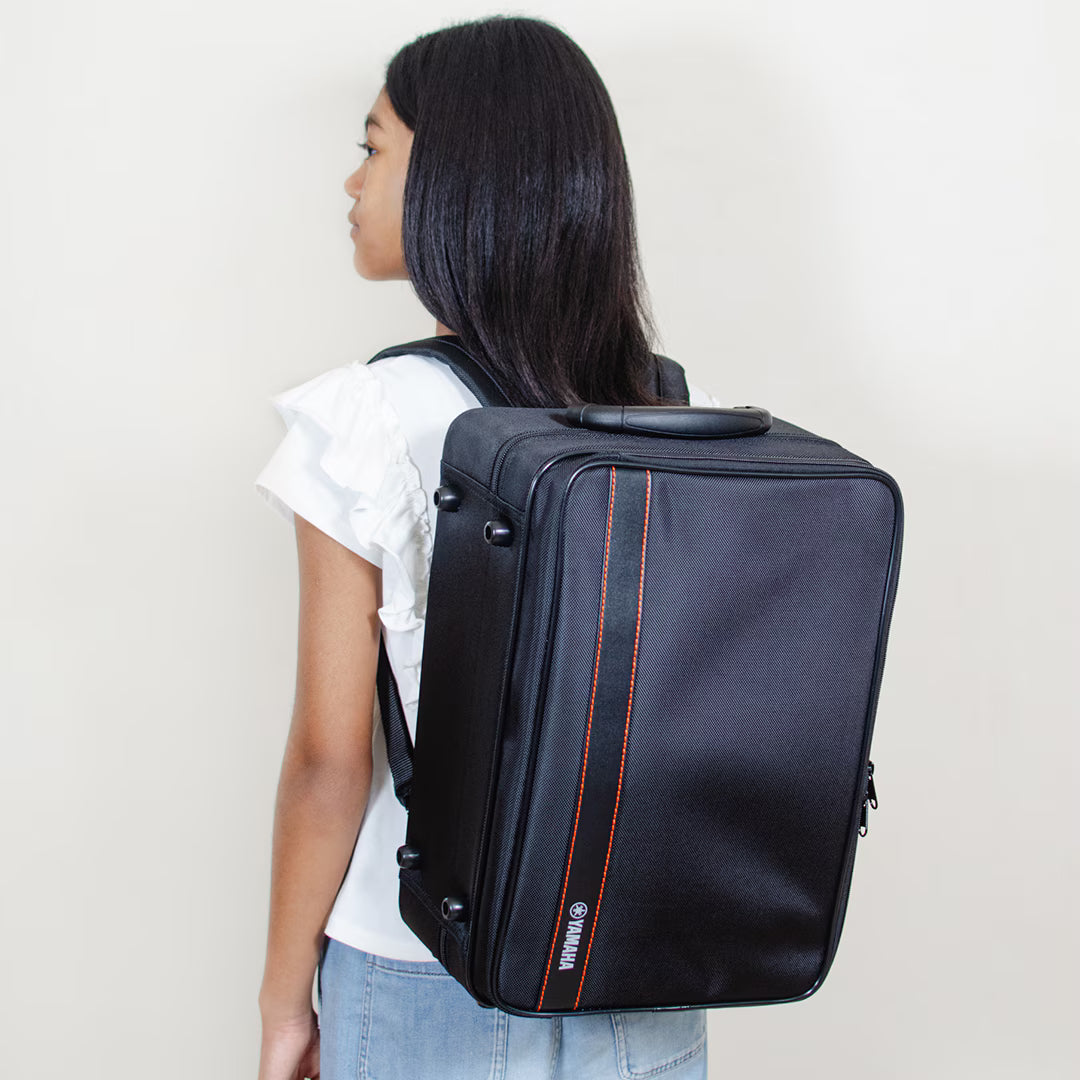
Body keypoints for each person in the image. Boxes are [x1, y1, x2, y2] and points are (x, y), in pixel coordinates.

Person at [253, 15, 719, 1080]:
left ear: (455, 178)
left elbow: (330, 762)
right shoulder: (664, 412)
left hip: (422, 962)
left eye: (374, 147)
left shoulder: (363, 420)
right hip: (643, 961)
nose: (351, 183)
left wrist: (284, 1005)